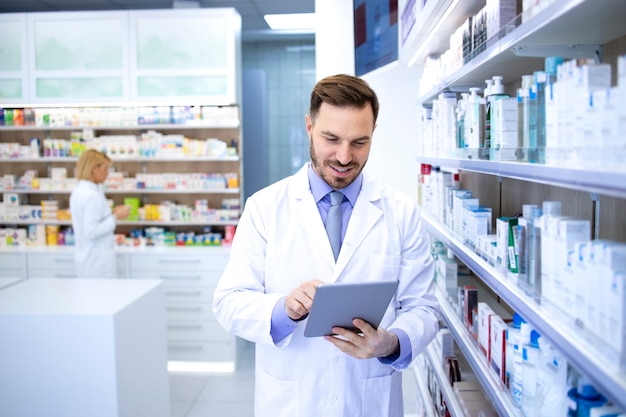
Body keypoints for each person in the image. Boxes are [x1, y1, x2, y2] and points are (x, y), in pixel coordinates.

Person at [212, 74, 439, 417]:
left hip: (368, 397)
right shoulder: (265, 207)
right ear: (309, 127)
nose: (344, 156)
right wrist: (283, 309)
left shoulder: (400, 212)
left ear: (373, 133)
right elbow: (229, 302)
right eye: (331, 138)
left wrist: (390, 343)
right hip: (292, 400)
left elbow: (423, 308)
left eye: (359, 142)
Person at [69, 149, 130, 278]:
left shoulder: (80, 190)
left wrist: (111, 213)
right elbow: (92, 231)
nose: (107, 174)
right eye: (105, 169)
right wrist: (116, 217)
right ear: (94, 169)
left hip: (86, 256)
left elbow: (93, 219)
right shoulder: (92, 195)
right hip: (97, 261)